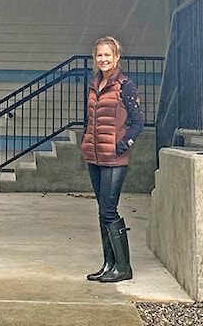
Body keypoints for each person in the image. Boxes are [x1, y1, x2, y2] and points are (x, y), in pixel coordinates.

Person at [79, 36, 143, 282]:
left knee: (109, 210)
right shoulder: (94, 84)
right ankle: (109, 264)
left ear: (117, 57)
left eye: (108, 55)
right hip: (94, 157)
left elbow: (138, 123)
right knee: (101, 211)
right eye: (99, 55)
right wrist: (87, 139)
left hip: (114, 159)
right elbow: (92, 120)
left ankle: (124, 268)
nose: (103, 59)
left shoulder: (125, 85)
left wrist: (122, 144)